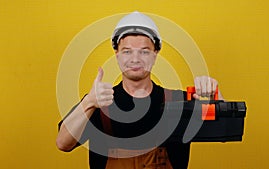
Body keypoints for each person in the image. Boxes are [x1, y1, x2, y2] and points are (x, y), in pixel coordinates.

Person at [56, 11, 223, 169]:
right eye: (127, 51)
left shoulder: (180, 101)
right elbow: (63, 144)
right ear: (117, 54)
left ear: (155, 53)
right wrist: (88, 103)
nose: (135, 59)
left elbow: (222, 130)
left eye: (144, 51)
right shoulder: (98, 101)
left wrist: (215, 96)